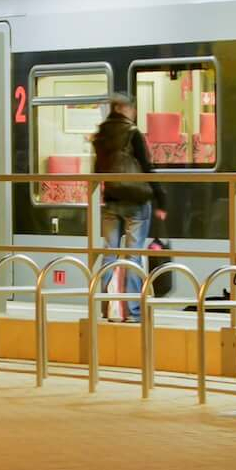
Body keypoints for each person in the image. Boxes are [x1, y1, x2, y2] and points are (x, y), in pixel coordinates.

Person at [90, 97, 157, 323]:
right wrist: (161, 196)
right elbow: (146, 167)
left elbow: (97, 169)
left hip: (110, 200)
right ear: (123, 109)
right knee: (133, 254)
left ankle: (106, 307)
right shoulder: (132, 132)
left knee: (109, 253)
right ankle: (132, 311)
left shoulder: (102, 134)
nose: (134, 111)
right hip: (135, 200)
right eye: (131, 107)